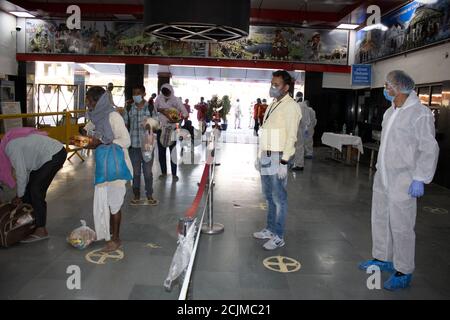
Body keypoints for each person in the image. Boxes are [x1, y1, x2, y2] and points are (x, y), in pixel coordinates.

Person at [359, 70, 439, 290]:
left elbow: (428, 148)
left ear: (400, 88)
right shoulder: (390, 112)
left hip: (404, 178)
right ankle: (382, 257)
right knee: (380, 217)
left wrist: (420, 178)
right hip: (384, 175)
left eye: (388, 86)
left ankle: (403, 270)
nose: (386, 89)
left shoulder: (419, 113)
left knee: (402, 226)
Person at [253, 70, 301, 250]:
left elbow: (291, 137)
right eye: (272, 83)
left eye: (276, 84)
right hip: (267, 153)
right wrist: (260, 155)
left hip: (278, 155)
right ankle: (270, 229)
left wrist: (284, 162)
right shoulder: (274, 103)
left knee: (279, 197)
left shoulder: (291, 107)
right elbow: (266, 131)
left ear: (286, 87)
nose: (272, 87)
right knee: (268, 195)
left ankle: (279, 236)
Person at [84, 86, 132, 252]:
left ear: (98, 101)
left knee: (115, 204)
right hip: (104, 166)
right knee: (105, 202)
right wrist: (85, 135)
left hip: (117, 166)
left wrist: (103, 141)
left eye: (89, 100)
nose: (87, 103)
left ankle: (116, 239)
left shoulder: (113, 117)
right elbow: (90, 130)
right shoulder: (96, 117)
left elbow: (126, 141)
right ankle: (108, 233)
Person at [0, 127, 67, 243]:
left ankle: (41, 230)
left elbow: (21, 174)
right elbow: (25, 173)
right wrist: (21, 195)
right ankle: (30, 224)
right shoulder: (8, 145)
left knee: (36, 190)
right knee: (28, 190)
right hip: (46, 157)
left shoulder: (10, 148)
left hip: (54, 154)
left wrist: (19, 196)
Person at [123, 85, 159, 206]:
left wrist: (149, 125)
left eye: (138, 93)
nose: (135, 95)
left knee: (148, 172)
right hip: (133, 146)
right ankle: (136, 195)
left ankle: (149, 195)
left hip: (147, 145)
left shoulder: (149, 107)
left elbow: (157, 123)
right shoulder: (128, 107)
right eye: (134, 93)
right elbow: (125, 125)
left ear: (144, 93)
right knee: (136, 172)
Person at [154, 83, 188, 182]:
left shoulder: (176, 100)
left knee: (172, 152)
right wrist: (161, 110)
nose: (166, 93)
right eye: (164, 91)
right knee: (161, 153)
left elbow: (185, 113)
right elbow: (154, 110)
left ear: (171, 90)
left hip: (172, 129)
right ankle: (163, 172)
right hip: (161, 128)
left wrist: (177, 119)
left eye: (167, 92)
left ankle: (174, 174)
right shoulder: (159, 98)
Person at [292, 92, 310, 171]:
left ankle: (299, 165)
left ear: (297, 97)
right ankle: (298, 163)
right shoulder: (305, 106)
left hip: (298, 128)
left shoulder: (298, 106)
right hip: (303, 128)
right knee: (300, 147)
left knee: (298, 147)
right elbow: (307, 120)